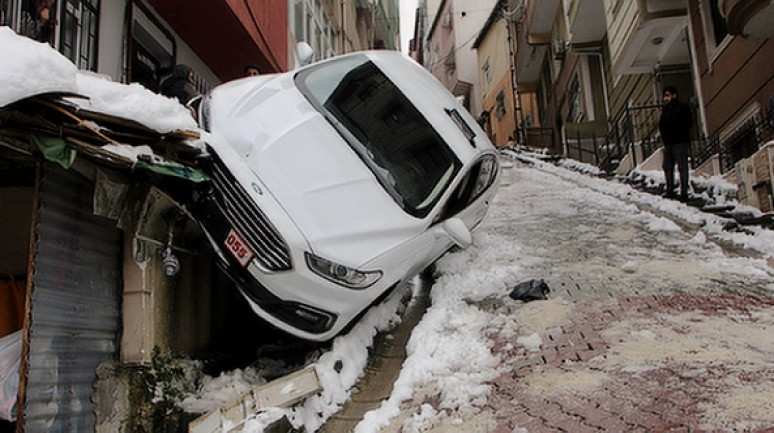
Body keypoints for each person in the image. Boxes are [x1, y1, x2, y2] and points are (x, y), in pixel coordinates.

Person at [658, 85, 693, 201]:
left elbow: (689, 122)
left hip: (680, 142)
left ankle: (684, 192)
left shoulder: (681, 108)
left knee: (682, 167)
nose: (665, 99)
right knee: (667, 166)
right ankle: (670, 189)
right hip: (669, 144)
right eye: (664, 96)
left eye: (667, 95)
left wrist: (681, 134)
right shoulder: (665, 110)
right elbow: (662, 125)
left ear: (674, 95)